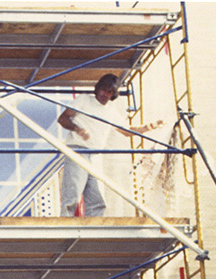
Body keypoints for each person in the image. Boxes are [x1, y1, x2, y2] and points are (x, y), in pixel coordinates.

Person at [58, 73, 162, 216]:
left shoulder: (111, 110)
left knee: (97, 199)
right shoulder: (84, 100)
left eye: (110, 92)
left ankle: (95, 232)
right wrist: (77, 129)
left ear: (113, 94)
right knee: (73, 193)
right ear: (98, 88)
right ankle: (65, 227)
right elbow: (62, 118)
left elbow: (126, 131)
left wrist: (148, 127)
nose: (105, 94)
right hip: (78, 149)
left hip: (95, 155)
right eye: (104, 89)